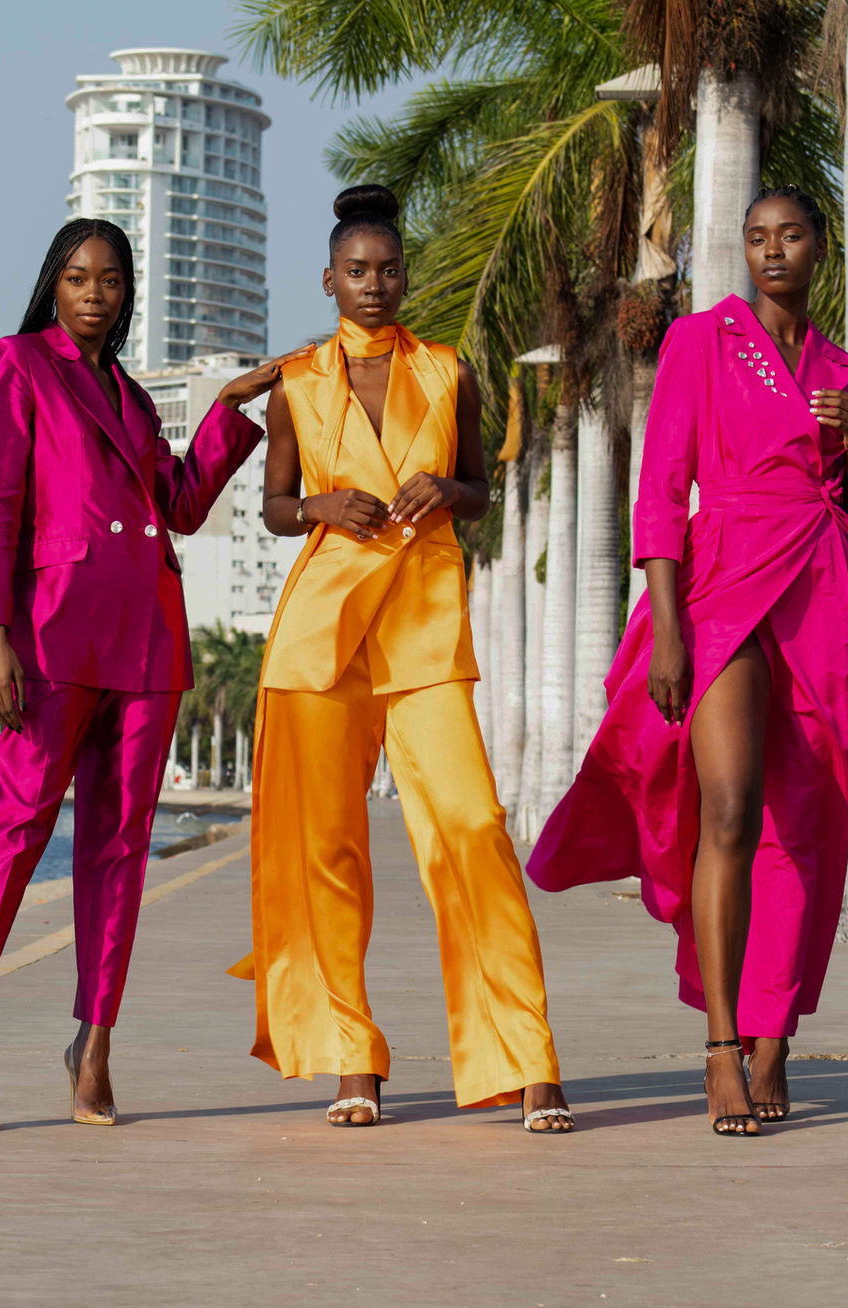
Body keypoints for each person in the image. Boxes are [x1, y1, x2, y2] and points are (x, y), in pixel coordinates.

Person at [0, 219, 310, 1131]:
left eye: (109, 279)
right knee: (16, 827)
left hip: (145, 640)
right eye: (76, 277)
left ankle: (94, 1044)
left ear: (128, 291)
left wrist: (230, 405)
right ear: (53, 285)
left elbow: (179, 503)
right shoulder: (18, 363)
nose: (94, 293)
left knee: (121, 846)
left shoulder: (135, 399)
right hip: (51, 634)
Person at [528, 186, 848, 1136]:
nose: (773, 251)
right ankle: (723, 1044)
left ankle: (775, 1035)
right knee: (729, 808)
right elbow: (661, 487)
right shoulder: (702, 340)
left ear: (819, 248)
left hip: (822, 600)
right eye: (757, 237)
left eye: (791, 235)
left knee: (801, 823)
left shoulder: (840, 366)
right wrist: (668, 626)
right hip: (724, 584)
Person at [228, 185, 573, 1133]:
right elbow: (276, 505)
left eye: (387, 270)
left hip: (422, 627)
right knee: (327, 847)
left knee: (471, 826)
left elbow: (480, 489)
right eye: (356, 271)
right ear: (328, 280)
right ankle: (351, 1055)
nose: (372, 284)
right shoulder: (298, 383)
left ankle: (527, 1056)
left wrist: (447, 488)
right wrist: (321, 507)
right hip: (321, 633)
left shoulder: (451, 371)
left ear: (406, 277)